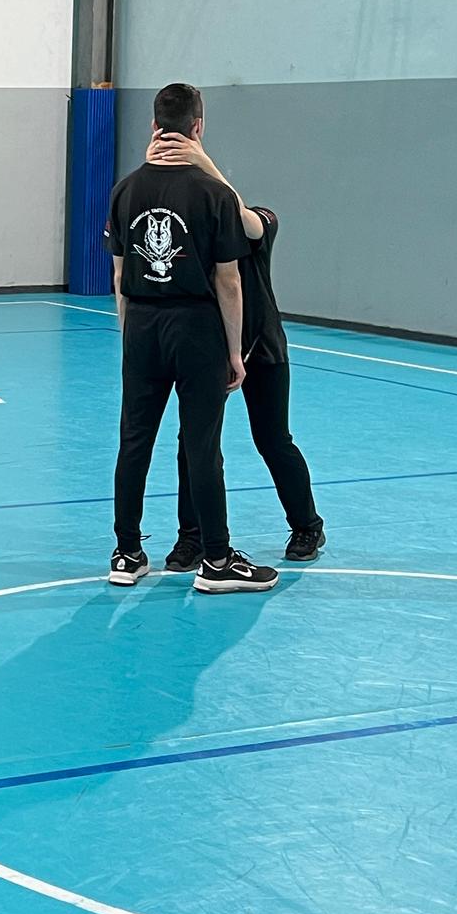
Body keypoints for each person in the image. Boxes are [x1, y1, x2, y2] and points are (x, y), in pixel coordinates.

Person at [105, 83, 274, 595]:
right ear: (198, 128)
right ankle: (217, 560)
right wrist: (232, 352)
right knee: (201, 444)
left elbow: (118, 279)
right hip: (196, 328)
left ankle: (127, 552)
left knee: (134, 440)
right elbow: (229, 280)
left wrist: (130, 338)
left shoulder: (124, 189)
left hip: (142, 326)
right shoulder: (215, 194)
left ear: (153, 127)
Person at [144, 130, 325, 564]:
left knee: (273, 439)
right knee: (196, 443)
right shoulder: (202, 230)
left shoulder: (260, 220)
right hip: (211, 348)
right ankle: (192, 537)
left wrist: (204, 162)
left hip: (262, 348)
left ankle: (307, 526)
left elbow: (248, 222)